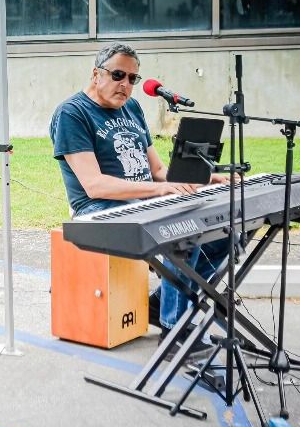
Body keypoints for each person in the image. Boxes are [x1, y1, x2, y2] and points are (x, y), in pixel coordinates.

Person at [49, 42, 232, 361]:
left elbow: (158, 170)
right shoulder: (72, 113)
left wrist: (207, 176)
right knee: (180, 229)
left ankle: (161, 304)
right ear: (96, 74)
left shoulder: (132, 108)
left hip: (143, 202)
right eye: (118, 75)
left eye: (133, 78)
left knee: (227, 232)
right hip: (98, 211)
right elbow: (93, 186)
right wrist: (159, 191)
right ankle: (176, 332)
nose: (126, 84)